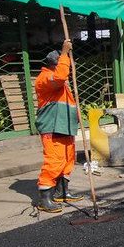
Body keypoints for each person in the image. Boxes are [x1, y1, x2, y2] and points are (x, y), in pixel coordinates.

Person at [34, 39, 84, 213]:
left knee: (68, 160)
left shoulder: (61, 84)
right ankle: (45, 198)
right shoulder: (46, 79)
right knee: (54, 161)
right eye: (64, 64)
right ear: (56, 65)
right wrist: (64, 53)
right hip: (52, 127)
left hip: (65, 127)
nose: (68, 70)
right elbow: (61, 75)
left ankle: (62, 192)